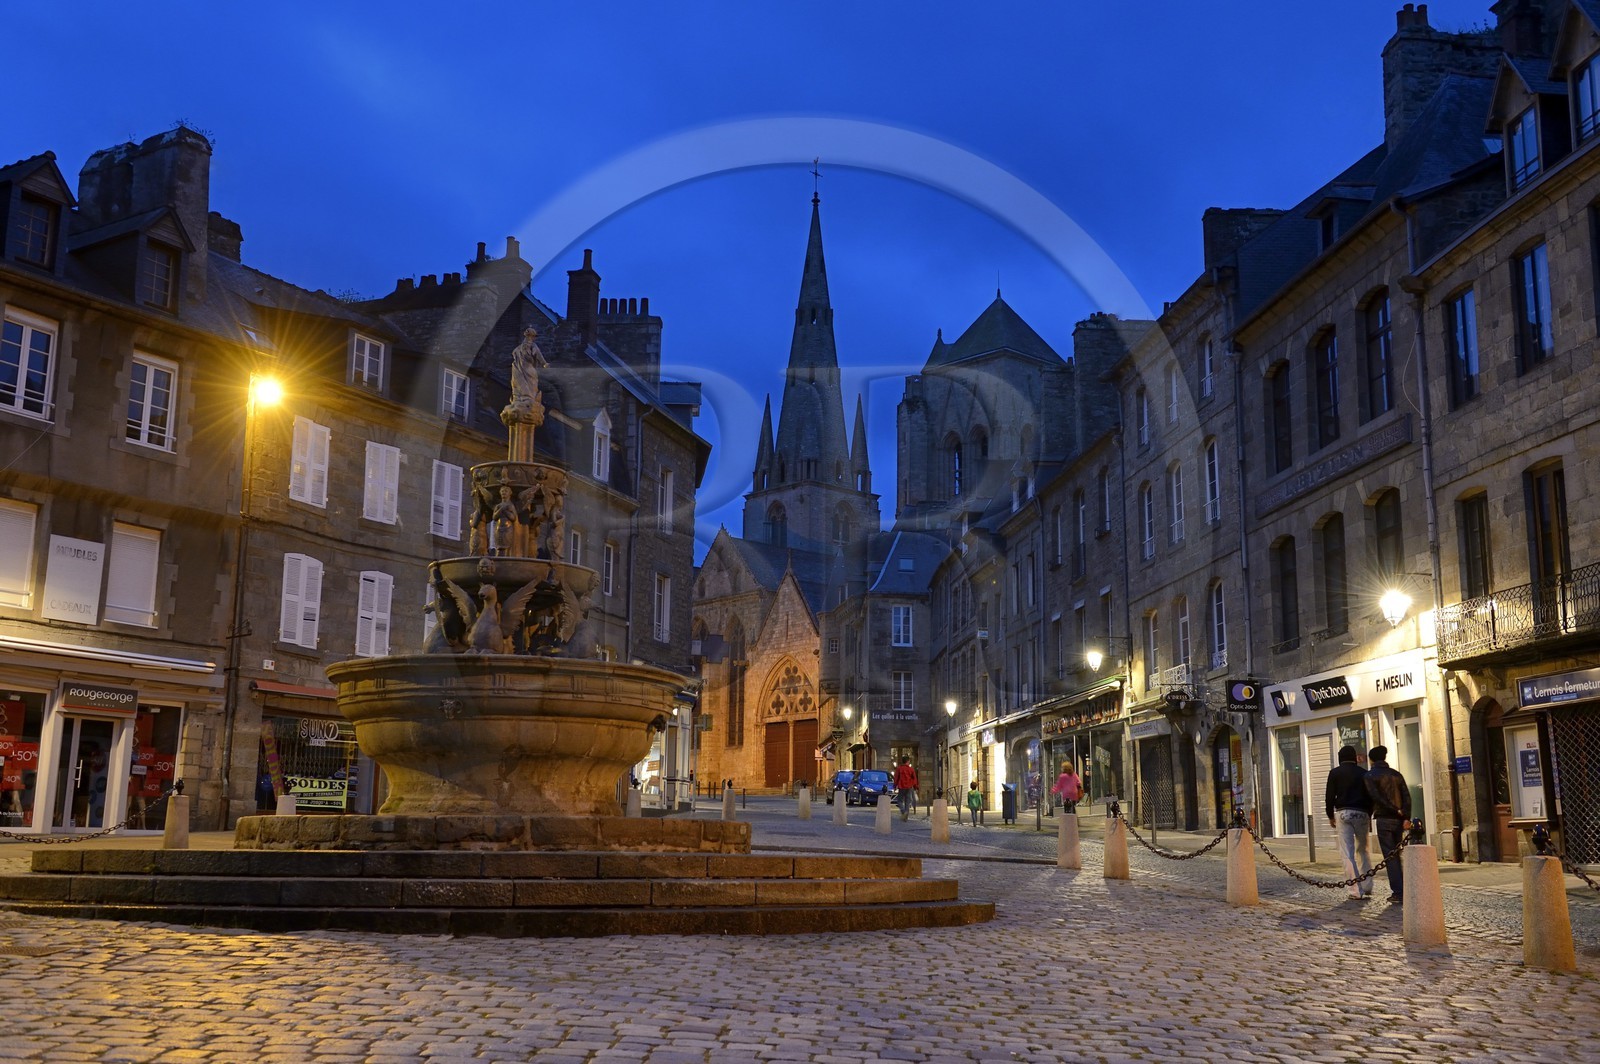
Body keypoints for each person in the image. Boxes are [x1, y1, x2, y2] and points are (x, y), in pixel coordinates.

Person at [1325, 744, 1375, 900]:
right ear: (1355, 758)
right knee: (1363, 849)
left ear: (1340, 758)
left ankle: (1355, 890)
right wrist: (1369, 813)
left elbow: (1329, 796)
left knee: (1347, 853)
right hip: (1361, 813)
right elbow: (1371, 796)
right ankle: (1367, 885)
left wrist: (1330, 816)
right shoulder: (1364, 773)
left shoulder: (1335, 773)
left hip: (1343, 812)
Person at [1364, 745, 1412, 904]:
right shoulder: (1396, 775)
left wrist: (1395, 810)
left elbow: (1376, 797)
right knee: (1396, 854)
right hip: (1398, 820)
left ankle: (1398, 891)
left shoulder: (1370, 776)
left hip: (1384, 819)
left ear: (1371, 759)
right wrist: (1405, 815)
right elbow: (1406, 796)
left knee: (1390, 856)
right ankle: (1403, 888)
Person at [892, 756, 919, 821]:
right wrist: (916, 786)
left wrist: (895, 786)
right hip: (909, 787)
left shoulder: (899, 769)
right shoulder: (911, 769)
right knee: (908, 801)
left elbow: (896, 778)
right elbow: (914, 779)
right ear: (908, 761)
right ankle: (906, 814)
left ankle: (904, 812)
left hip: (901, 786)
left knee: (899, 801)